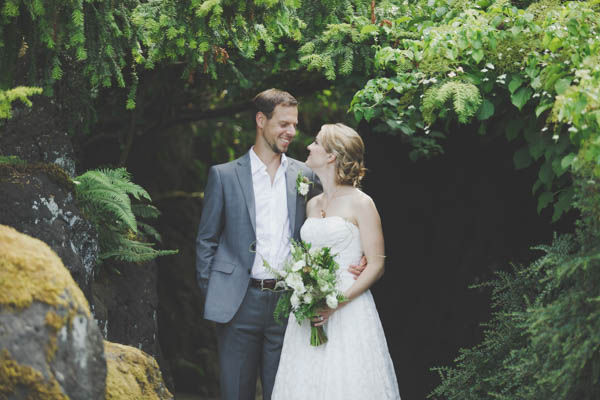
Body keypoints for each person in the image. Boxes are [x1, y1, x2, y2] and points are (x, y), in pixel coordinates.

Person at [195, 89, 365, 400]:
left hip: (289, 307)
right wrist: (215, 289)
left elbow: (332, 217)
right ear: (261, 120)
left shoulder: (306, 175)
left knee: (286, 393)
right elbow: (206, 241)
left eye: (295, 125)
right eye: (284, 124)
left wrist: (355, 254)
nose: (291, 132)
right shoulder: (223, 176)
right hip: (237, 304)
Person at [271, 123, 401, 399]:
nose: (309, 146)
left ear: (331, 156)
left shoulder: (361, 203)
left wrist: (337, 301)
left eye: (316, 143)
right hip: (310, 311)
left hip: (348, 307)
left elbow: (377, 264)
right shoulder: (312, 203)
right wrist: (307, 291)